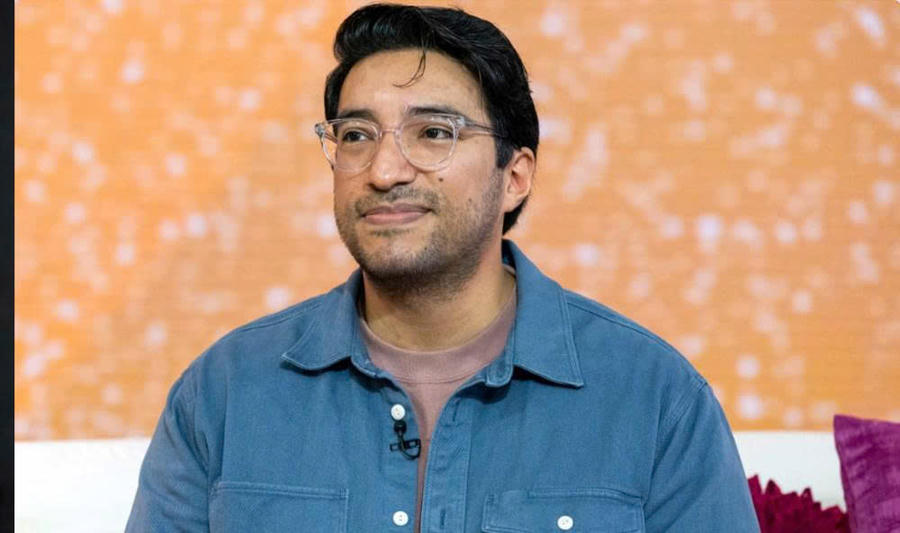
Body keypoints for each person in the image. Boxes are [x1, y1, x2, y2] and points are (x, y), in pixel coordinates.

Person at [127, 4, 759, 532]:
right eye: (356, 135)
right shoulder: (225, 393)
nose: (384, 170)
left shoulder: (654, 399)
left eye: (433, 133)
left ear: (514, 176)